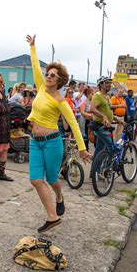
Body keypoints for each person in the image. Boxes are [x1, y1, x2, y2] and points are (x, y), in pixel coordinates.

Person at [26, 34, 91, 233]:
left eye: (53, 75)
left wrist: (82, 149)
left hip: (52, 143)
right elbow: (36, 67)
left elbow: (73, 123)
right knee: (36, 179)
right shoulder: (41, 89)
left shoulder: (61, 101)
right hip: (35, 142)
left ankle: (60, 197)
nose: (48, 76)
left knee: (52, 179)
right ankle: (52, 217)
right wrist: (33, 48)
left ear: (60, 80)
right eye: (48, 73)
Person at [88, 76, 114, 175]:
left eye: (109, 82)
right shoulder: (97, 95)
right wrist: (103, 116)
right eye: (106, 82)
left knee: (99, 149)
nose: (109, 84)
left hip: (106, 126)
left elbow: (108, 111)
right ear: (101, 85)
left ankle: (93, 172)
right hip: (100, 126)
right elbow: (92, 109)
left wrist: (117, 120)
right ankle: (105, 170)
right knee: (112, 147)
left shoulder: (107, 96)